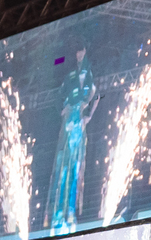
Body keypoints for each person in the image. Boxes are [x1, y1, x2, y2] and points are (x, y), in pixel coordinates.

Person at [47, 47, 97, 236]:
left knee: (74, 171)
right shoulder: (70, 76)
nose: (79, 55)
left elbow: (94, 95)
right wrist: (63, 110)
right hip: (69, 125)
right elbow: (59, 95)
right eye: (77, 52)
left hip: (78, 125)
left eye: (82, 51)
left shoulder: (89, 74)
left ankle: (70, 211)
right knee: (63, 171)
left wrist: (87, 115)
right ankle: (59, 212)